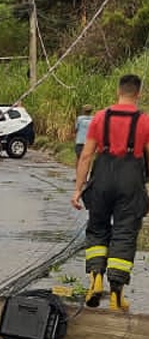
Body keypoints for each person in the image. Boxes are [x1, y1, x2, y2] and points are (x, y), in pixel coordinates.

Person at [71, 74, 149, 311]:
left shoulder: (100, 118)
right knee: (125, 234)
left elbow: (86, 155)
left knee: (97, 228)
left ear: (118, 91)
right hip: (130, 180)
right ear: (139, 93)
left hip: (102, 178)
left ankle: (95, 279)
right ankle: (116, 295)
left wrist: (77, 189)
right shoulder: (144, 121)